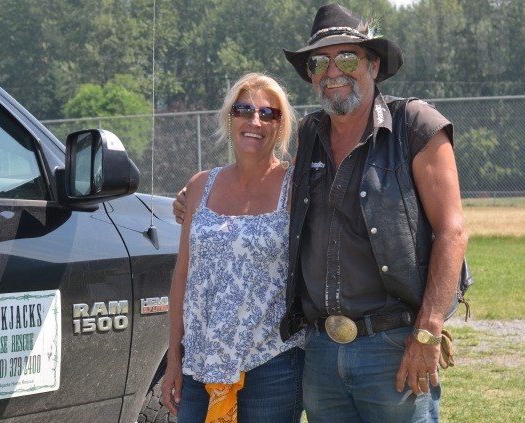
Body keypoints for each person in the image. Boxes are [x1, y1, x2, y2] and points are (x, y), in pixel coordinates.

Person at [173, 4, 468, 422]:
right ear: (310, 75)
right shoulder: (312, 133)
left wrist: (428, 331)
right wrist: (195, 194)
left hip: (393, 345)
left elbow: (452, 232)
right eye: (319, 62)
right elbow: (260, 184)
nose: (333, 71)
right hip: (321, 352)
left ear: (373, 65)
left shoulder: (414, 124)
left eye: (347, 57)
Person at [160, 72, 305, 422]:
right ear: (230, 117)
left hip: (271, 364)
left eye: (268, 114)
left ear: (281, 126)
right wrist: (174, 361)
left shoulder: (296, 187)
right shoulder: (199, 187)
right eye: (244, 110)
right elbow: (183, 277)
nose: (255, 120)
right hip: (199, 365)